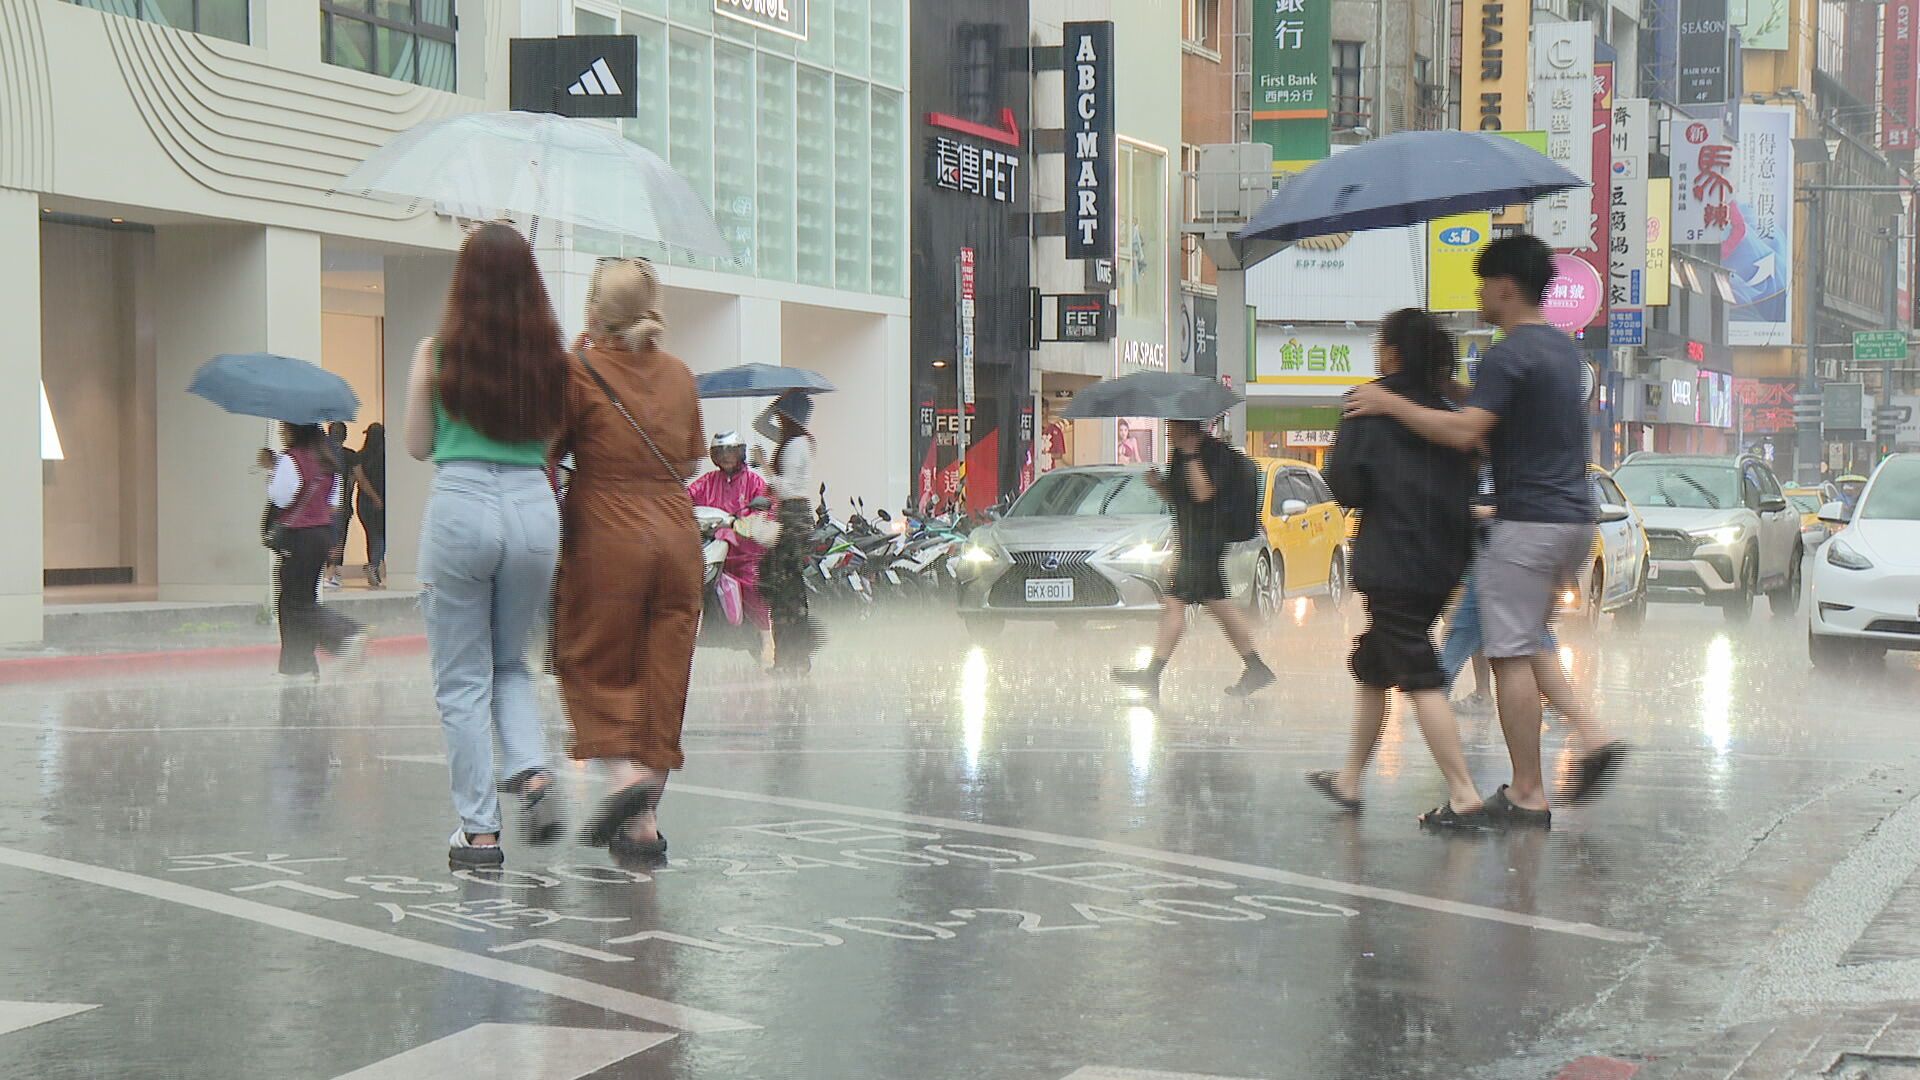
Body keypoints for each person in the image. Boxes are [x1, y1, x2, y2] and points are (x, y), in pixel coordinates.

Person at [1345, 234, 1625, 825]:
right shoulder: (1559, 350)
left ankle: (1527, 792)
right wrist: (1444, 395)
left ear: (1504, 287)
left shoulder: (1510, 352)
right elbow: (1493, 417)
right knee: (1525, 637)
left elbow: (1466, 432)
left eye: (1481, 283)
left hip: (1529, 521)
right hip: (1574, 516)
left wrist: (1388, 404)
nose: (1477, 294)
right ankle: (1591, 736)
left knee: (1509, 654)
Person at [405, 221, 569, 869]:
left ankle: (480, 832)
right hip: (534, 506)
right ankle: (531, 770)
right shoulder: (552, 360)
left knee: (461, 678)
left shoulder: (437, 352)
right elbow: (554, 439)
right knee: (510, 663)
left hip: (463, 504)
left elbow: (419, 445)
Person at [552, 257, 705, 865]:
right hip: (676, 532)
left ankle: (623, 782)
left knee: (592, 661)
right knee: (664, 674)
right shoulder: (677, 373)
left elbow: (549, 446)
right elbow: (691, 459)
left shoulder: (577, 370)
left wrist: (575, 357)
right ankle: (642, 825)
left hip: (607, 532)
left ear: (594, 310)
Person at [1306, 309, 1483, 826]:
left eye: (1382, 344)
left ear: (1395, 351)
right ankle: (1348, 779)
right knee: (1376, 664)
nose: (1377, 353)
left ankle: (1464, 793)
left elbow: (1346, 487)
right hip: (1442, 561)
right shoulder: (1450, 411)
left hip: (1392, 561)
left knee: (1419, 674)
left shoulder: (1369, 404)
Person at [1111, 418, 1274, 699]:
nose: (1168, 431)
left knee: (1176, 603)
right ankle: (1255, 666)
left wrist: (1191, 455)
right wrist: (1158, 485)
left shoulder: (1211, 453)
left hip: (1206, 543)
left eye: (1172, 426)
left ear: (1187, 427)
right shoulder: (1180, 454)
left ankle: (1152, 674)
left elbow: (1203, 494)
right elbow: (1180, 498)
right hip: (1191, 542)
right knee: (1218, 605)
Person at [267, 423, 366, 678]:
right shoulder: (327, 461)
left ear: (295, 431)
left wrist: (272, 471)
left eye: (284, 428)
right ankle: (298, 666)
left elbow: (280, 499)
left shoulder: (291, 460)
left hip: (299, 536)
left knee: (295, 604)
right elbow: (333, 504)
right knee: (296, 601)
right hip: (320, 535)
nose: (281, 432)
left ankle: (345, 635)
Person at [688, 430, 775, 664]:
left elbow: (766, 512)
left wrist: (742, 523)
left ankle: (767, 641)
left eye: (731, 451)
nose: (726, 457)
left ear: (741, 453)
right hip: (711, 549)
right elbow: (687, 498)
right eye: (720, 452)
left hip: (745, 554)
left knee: (752, 589)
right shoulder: (707, 481)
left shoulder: (754, 481)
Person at [759, 391, 821, 675]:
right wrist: (774, 405)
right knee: (785, 591)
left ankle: (792, 658)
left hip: (793, 516)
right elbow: (759, 425)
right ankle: (790, 657)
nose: (777, 418)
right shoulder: (791, 441)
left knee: (786, 591)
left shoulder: (797, 445)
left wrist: (763, 465)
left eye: (782, 413)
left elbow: (785, 487)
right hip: (788, 515)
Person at [353, 423, 387, 590]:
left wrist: (372, 496)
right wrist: (378, 498)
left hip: (364, 501)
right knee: (381, 535)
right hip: (383, 500)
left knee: (371, 535)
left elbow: (361, 480)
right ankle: (374, 565)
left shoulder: (360, 456)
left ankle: (374, 567)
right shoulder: (387, 457)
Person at [323, 421, 354, 589]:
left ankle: (326, 574)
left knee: (324, 537)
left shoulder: (322, 454)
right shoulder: (348, 456)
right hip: (340, 504)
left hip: (322, 504)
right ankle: (330, 573)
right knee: (338, 538)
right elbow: (355, 479)